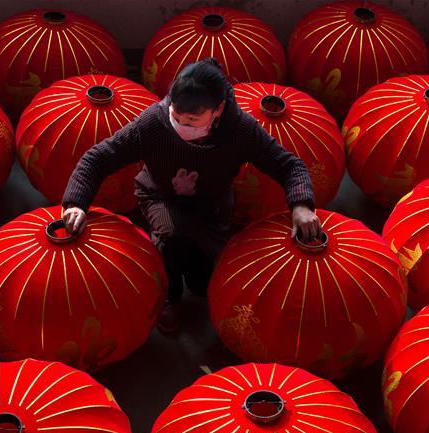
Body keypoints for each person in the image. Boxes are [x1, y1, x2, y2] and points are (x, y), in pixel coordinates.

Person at [61, 57, 320, 336]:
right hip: (160, 197)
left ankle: (193, 268)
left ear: (218, 110)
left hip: (212, 207)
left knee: (204, 282)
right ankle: (168, 296)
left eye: (193, 120)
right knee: (172, 238)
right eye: (176, 116)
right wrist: (76, 204)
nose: (182, 126)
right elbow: (98, 158)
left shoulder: (241, 131)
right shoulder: (153, 123)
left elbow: (288, 165)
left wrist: (301, 205)